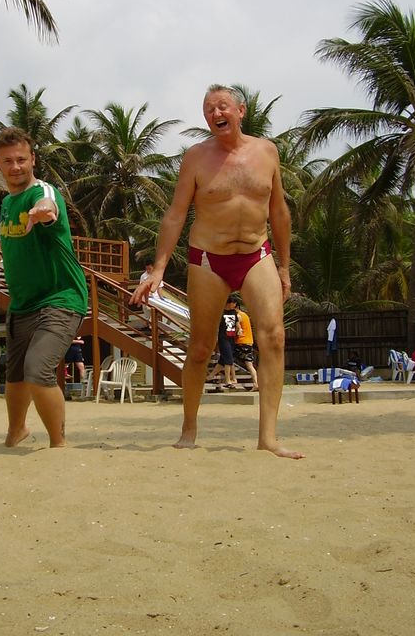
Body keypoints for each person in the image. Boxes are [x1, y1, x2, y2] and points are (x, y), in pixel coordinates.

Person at [130, 84, 304, 458]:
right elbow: (175, 214)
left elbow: (279, 212)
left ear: (240, 110)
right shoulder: (196, 157)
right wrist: (159, 269)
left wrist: (284, 267)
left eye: (222, 106)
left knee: (274, 338)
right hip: (208, 258)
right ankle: (189, 429)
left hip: (257, 254)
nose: (215, 113)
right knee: (200, 348)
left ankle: (268, 438)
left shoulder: (267, 152)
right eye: (208, 109)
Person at [0, 127, 88, 448]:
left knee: (37, 370)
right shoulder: (7, 203)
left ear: (33, 159)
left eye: (22, 159)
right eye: (8, 161)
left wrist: (44, 212)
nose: (16, 166)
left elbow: (48, 204)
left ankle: (58, 443)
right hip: (23, 303)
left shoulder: (42, 191)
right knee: (15, 375)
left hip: (61, 297)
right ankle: (16, 431)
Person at [206, 296, 240, 388]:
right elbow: (215, 326)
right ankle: (228, 381)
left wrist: (238, 330)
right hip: (223, 338)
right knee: (228, 359)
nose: (234, 305)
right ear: (229, 303)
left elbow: (237, 323)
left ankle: (210, 376)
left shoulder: (234, 312)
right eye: (234, 303)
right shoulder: (221, 312)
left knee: (223, 360)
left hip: (231, 337)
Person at [234, 301, 259, 391]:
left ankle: (233, 379)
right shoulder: (245, 315)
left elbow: (237, 328)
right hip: (249, 341)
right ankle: (256, 383)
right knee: (249, 365)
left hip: (241, 341)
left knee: (229, 359)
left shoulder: (238, 316)